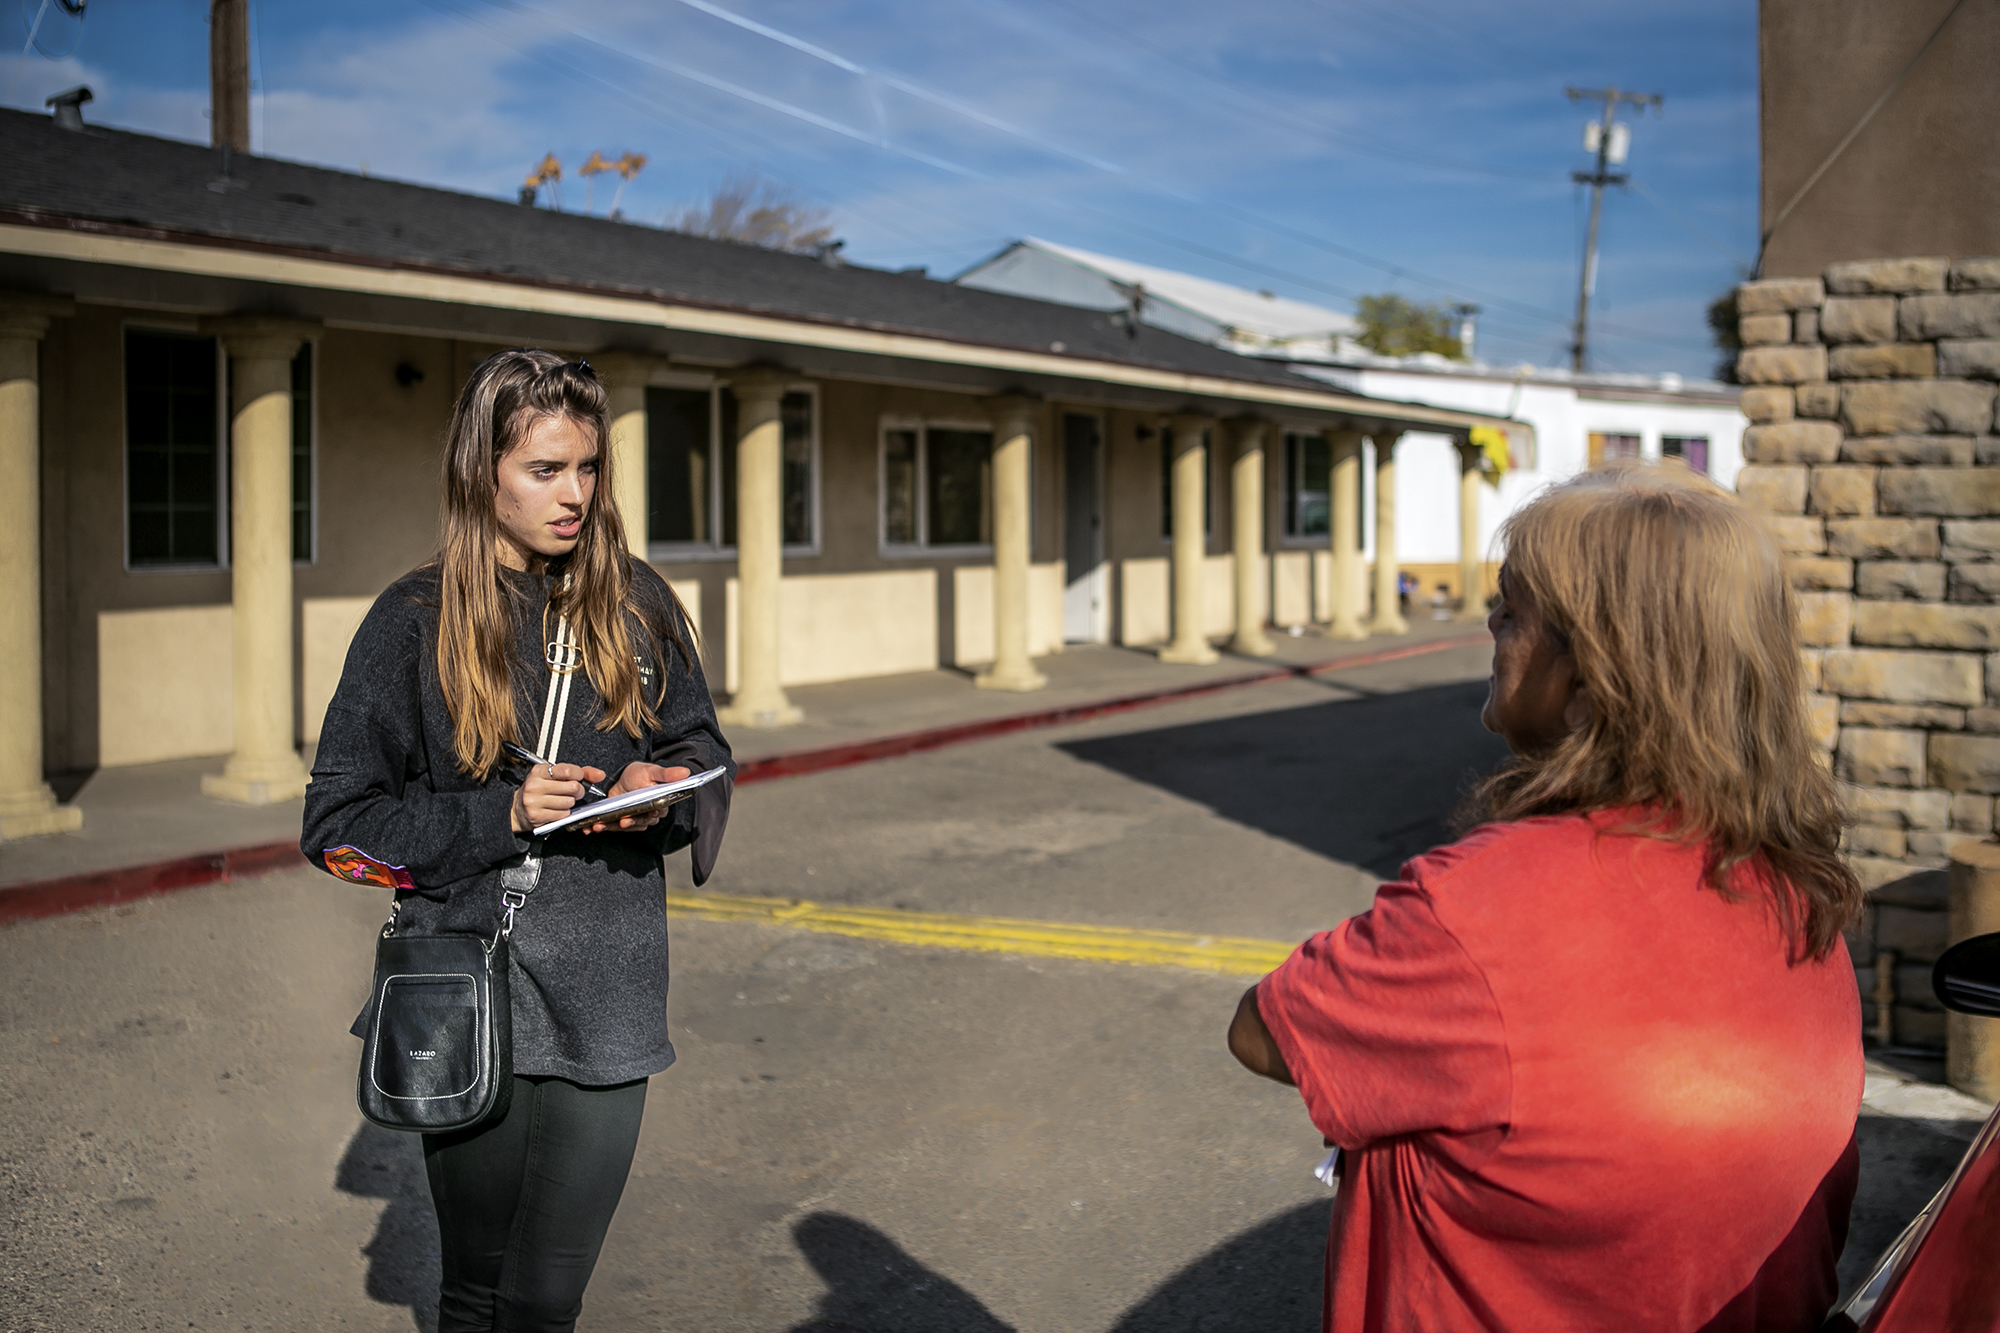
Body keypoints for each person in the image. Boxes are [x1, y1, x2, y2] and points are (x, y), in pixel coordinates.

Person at [1229, 463, 1864, 1333]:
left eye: (1514, 609)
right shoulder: (1801, 898)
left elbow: (1262, 1032)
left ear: (1593, 676)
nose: (1491, 624)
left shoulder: (1478, 909)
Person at [302, 349, 733, 1332]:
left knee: (546, 1296)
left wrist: (658, 791)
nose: (575, 494)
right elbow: (338, 828)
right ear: (479, 473)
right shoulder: (411, 622)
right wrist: (497, 812)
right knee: (474, 1290)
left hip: (610, 985)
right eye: (545, 470)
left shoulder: (638, 603)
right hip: (466, 984)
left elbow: (701, 751)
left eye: (588, 467)